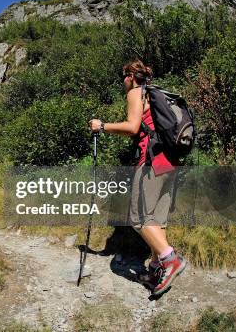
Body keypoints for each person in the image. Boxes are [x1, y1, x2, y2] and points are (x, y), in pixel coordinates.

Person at [89, 59, 187, 296]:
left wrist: (101, 126)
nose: (123, 81)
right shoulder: (156, 95)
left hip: (151, 161)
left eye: (123, 76)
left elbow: (133, 127)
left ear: (131, 76)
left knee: (139, 217)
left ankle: (169, 259)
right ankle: (156, 268)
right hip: (170, 162)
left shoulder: (136, 92)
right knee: (156, 219)